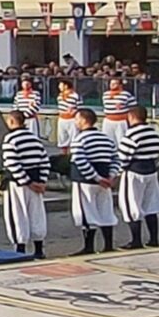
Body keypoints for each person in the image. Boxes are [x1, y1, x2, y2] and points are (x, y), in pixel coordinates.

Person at [61, 99, 119, 253]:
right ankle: (108, 245)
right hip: (104, 180)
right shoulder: (106, 138)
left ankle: (89, 247)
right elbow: (115, 158)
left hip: (85, 180)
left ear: (83, 120)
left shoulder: (79, 139)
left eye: (77, 118)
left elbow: (80, 160)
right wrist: (110, 176)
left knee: (86, 212)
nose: (75, 121)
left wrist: (96, 177)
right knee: (105, 211)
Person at [1, 98, 52, 258]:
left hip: (19, 183)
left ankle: (20, 249)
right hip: (36, 180)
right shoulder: (35, 139)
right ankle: (38, 249)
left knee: (17, 215)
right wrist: (41, 182)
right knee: (36, 214)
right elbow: (45, 161)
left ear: (11, 121)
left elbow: (12, 163)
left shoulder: (10, 139)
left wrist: (27, 182)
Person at [115, 101, 159, 248]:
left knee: (131, 206)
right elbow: (158, 154)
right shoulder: (154, 133)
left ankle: (136, 240)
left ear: (131, 117)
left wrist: (119, 172)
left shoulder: (131, 134)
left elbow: (123, 156)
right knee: (151, 205)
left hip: (134, 172)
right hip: (150, 170)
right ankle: (153, 239)